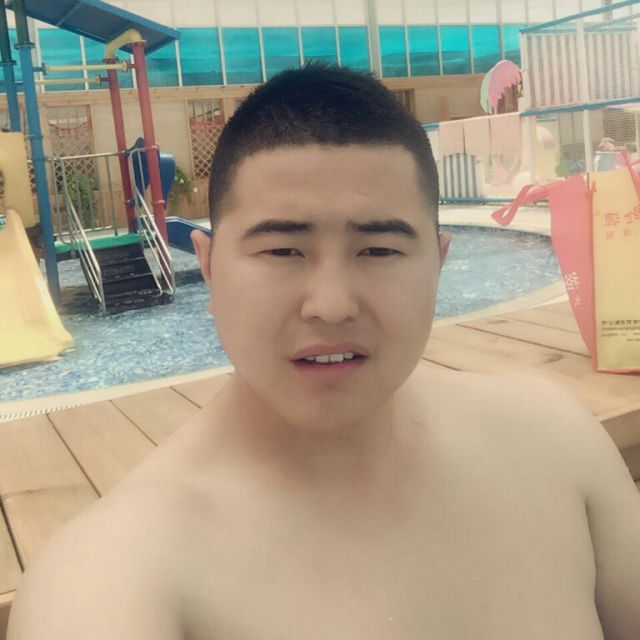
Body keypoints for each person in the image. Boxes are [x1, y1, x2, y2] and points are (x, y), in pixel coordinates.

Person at [7, 64, 640, 640]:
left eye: (379, 249)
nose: (331, 305)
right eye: (283, 250)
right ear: (210, 268)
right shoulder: (113, 581)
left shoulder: (555, 446)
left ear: (438, 264)